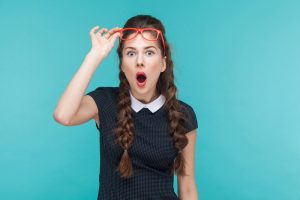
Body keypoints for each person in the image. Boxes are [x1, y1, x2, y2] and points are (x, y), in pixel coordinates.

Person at [53, 14, 198, 200]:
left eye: (149, 52)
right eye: (131, 53)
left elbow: (187, 190)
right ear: (122, 64)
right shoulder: (103, 101)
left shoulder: (183, 114)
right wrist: (95, 56)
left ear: (162, 63)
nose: (140, 61)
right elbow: (63, 115)